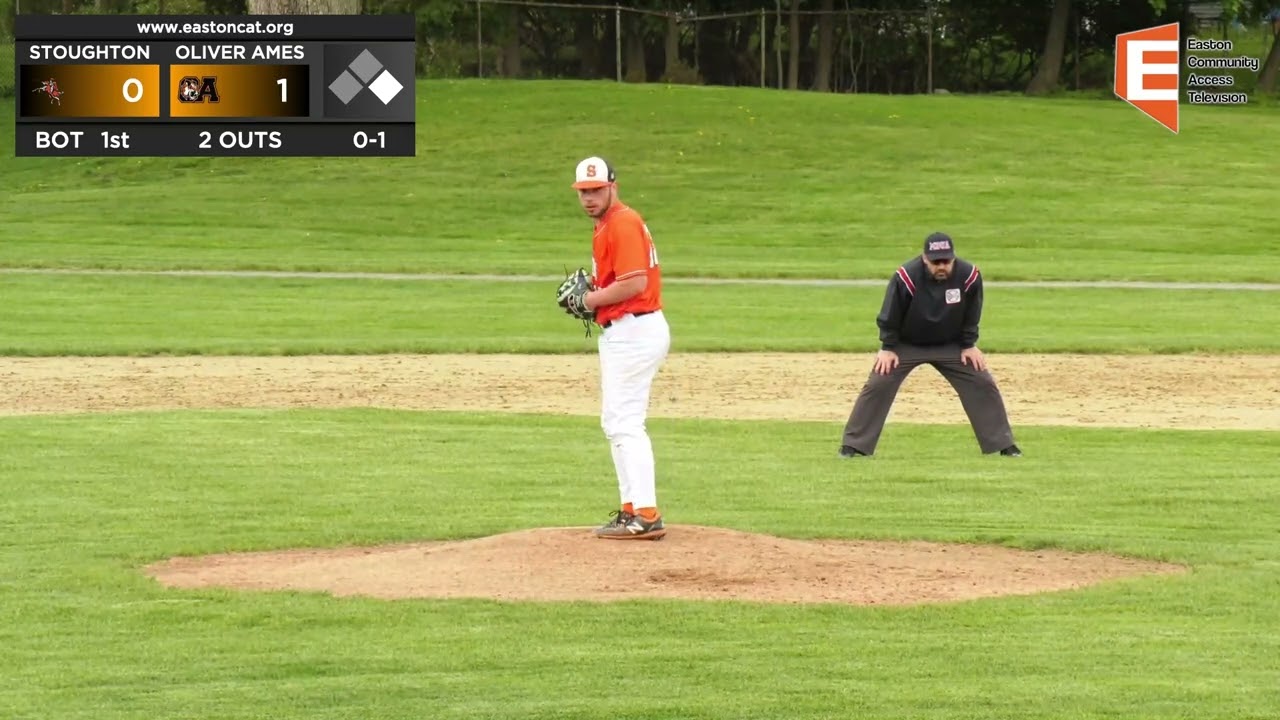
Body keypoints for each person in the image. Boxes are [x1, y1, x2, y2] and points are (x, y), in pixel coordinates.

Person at [839, 232, 1021, 458]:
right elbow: (890, 314)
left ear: (953, 258)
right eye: (935, 262)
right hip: (907, 344)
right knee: (879, 382)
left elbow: (972, 312)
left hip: (951, 345)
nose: (941, 266)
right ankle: (853, 445)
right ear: (925, 258)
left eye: (946, 261)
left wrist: (969, 344)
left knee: (981, 380)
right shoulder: (906, 276)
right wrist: (887, 347)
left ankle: (1004, 444)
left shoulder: (969, 276)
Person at [570, 156, 671, 540]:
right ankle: (633, 509)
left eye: (596, 190)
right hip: (628, 330)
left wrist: (589, 301)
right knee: (616, 421)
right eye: (583, 192)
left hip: (635, 330)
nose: (589, 198)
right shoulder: (607, 225)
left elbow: (634, 283)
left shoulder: (623, 223)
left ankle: (645, 513)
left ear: (614, 186)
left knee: (625, 422)